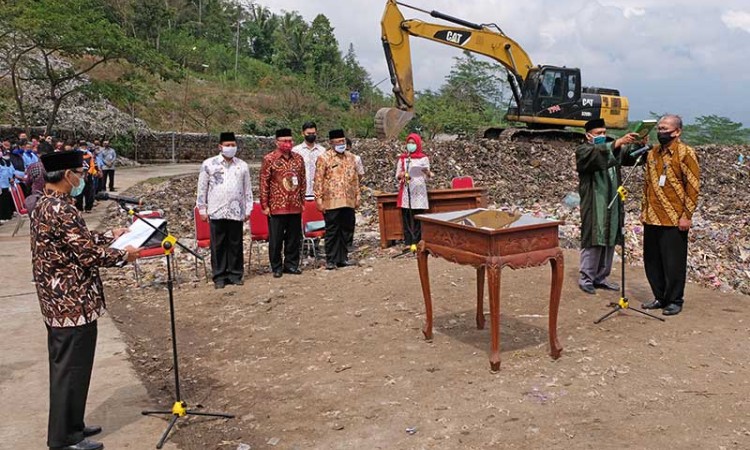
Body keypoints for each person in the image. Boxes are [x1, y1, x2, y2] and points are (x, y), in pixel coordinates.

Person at [31, 150, 140, 450]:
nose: (82, 178)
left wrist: (110, 234)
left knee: (74, 368)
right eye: (79, 172)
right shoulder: (61, 209)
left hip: (62, 302)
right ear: (67, 176)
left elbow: (78, 241)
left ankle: (73, 424)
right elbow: (87, 254)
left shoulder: (48, 203)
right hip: (70, 303)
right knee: (70, 369)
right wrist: (124, 255)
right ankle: (64, 439)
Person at [640, 115, 700, 316]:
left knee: (673, 262)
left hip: (674, 217)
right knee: (652, 260)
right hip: (652, 216)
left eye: (664, 128)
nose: (660, 131)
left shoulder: (686, 153)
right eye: (659, 128)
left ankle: (675, 299)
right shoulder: (653, 154)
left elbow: (692, 187)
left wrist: (687, 215)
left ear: (677, 132)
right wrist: (643, 210)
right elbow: (647, 184)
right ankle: (659, 296)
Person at [575, 118, 639, 294]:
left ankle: (601, 277)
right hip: (595, 203)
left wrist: (638, 144)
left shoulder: (612, 148)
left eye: (604, 132)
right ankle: (586, 278)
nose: (603, 136)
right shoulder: (583, 150)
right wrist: (617, 142)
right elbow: (596, 155)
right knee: (594, 239)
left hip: (612, 202)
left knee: (610, 238)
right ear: (588, 136)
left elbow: (629, 156)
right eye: (598, 133)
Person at [196, 131, 253, 289]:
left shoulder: (242, 166)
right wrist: (202, 208)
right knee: (218, 244)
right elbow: (202, 188)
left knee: (235, 243)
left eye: (233, 145)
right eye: (227, 145)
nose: (230, 148)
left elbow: (247, 189)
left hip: (236, 210)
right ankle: (219, 276)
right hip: (216, 210)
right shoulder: (209, 164)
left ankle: (235, 274)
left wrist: (248, 208)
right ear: (220, 146)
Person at [259, 128, 306, 278]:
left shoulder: (298, 158)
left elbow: (303, 181)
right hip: (277, 206)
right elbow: (264, 183)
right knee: (276, 239)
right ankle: (277, 267)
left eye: (290, 141)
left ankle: (291, 265)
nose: (288, 144)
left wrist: (302, 200)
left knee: (294, 238)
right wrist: (264, 205)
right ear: (277, 142)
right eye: (284, 141)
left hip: (295, 205)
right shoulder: (269, 159)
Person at [314, 129, 360, 270]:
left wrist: (358, 196)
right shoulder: (324, 158)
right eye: (338, 142)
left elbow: (356, 179)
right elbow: (318, 180)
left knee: (346, 229)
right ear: (331, 143)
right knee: (333, 231)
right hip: (331, 201)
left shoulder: (351, 157)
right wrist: (318, 199)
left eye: (343, 141)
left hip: (348, 200)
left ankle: (343, 258)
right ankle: (331, 259)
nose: (341, 144)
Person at [395, 133, 432, 250]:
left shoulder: (423, 158)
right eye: (409, 143)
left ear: (418, 144)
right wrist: (401, 175)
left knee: (418, 216)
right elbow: (397, 175)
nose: (411, 145)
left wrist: (426, 172)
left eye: (413, 143)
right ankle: (409, 241)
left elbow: (428, 176)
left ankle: (418, 241)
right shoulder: (403, 158)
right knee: (407, 216)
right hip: (407, 189)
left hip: (419, 189)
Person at [292, 121, 326, 200]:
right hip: (300, 193)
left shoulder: (322, 151)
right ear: (303, 133)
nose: (311, 135)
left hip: (318, 194)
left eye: (313, 133)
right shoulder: (296, 151)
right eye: (308, 133)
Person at [345, 137, 365, 251]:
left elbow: (360, 174)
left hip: (351, 193)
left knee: (349, 217)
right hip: (336, 194)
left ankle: (348, 242)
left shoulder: (355, 159)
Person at [0, 149, 15, 221]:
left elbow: (7, 171)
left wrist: (10, 178)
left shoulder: (3, 161)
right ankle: (3, 216)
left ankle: (8, 215)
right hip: (1, 185)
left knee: (7, 200)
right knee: (2, 201)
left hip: (6, 183)